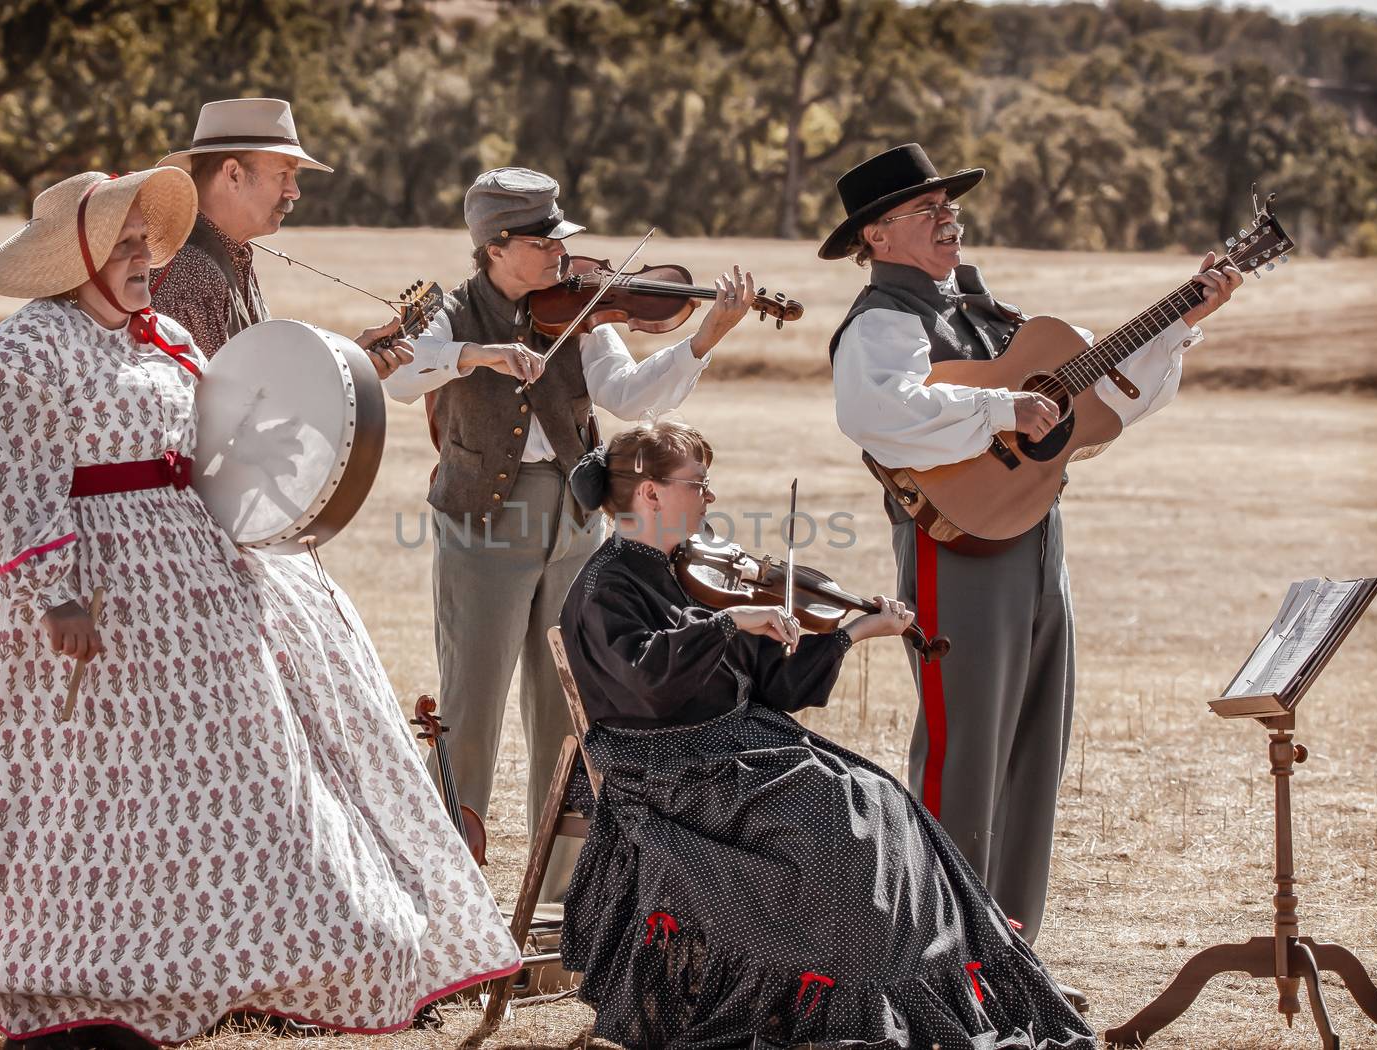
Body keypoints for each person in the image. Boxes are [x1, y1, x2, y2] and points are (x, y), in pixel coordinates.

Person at [0, 168, 519, 1049]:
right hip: (81, 608)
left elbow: (215, 443)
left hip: (191, 597)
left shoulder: (169, 341)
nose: (144, 257)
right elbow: (14, 491)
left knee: (228, 784)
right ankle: (65, 973)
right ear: (74, 258)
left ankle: (224, 966)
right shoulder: (15, 356)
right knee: (75, 794)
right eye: (122, 245)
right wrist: (59, 593)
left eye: (144, 241)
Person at [554, 419, 1096, 1049]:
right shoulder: (605, 583)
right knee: (834, 824)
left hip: (734, 745)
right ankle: (829, 999)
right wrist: (729, 625)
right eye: (698, 485)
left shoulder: (685, 568)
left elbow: (771, 685)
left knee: (881, 799)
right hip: (665, 767)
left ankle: (929, 979)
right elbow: (646, 680)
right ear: (648, 494)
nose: (710, 498)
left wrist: (848, 634)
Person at [822, 143, 1242, 943]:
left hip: (1035, 537)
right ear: (875, 237)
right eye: (927, 211)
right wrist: (998, 412)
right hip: (957, 550)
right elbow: (879, 418)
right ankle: (943, 957)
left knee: (1033, 749)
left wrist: (1182, 322)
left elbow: (1101, 401)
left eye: (951, 208)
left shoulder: (984, 312)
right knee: (965, 755)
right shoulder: (884, 321)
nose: (950, 221)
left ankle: (1011, 955)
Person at [385, 167, 756, 896]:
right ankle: (448, 891)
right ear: (495, 247)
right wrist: (476, 354)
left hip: (574, 518)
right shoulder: (451, 311)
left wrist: (706, 335)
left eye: (562, 238)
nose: (562, 253)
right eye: (543, 240)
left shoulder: (581, 311)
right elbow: (400, 376)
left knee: (569, 708)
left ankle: (559, 897)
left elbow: (629, 396)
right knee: (471, 703)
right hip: (486, 521)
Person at [150, 97, 411, 375]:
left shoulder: (227, 253)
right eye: (284, 174)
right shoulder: (192, 269)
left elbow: (261, 383)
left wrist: (350, 364)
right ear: (233, 174)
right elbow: (228, 404)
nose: (294, 191)